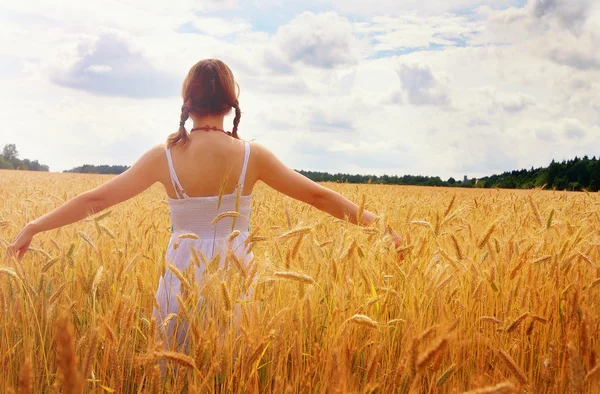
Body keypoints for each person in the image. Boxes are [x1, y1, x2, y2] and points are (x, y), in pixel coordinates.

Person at [7, 58, 402, 353]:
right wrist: (380, 225)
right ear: (230, 104)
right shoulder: (253, 156)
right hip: (236, 273)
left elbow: (96, 199)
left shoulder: (164, 157)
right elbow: (319, 196)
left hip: (180, 276)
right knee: (231, 367)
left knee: (175, 368)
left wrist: (35, 226)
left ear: (187, 101)